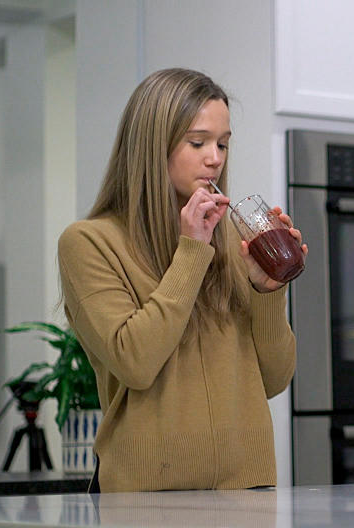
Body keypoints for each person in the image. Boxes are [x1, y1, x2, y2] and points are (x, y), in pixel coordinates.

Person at [58, 68, 304, 492]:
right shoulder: (89, 243)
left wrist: (269, 291)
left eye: (223, 143)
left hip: (247, 491)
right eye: (198, 142)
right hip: (144, 497)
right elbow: (135, 362)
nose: (216, 158)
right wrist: (191, 252)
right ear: (152, 146)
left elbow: (276, 379)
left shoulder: (235, 239)